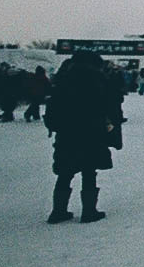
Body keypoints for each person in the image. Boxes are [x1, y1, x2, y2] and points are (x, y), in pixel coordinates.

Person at [44, 51, 123, 224]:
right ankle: (89, 212)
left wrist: (55, 126)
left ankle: (58, 211)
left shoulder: (63, 79)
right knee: (89, 171)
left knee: (65, 172)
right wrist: (113, 133)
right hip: (92, 132)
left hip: (67, 133)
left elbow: (52, 107)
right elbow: (111, 106)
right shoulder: (99, 79)